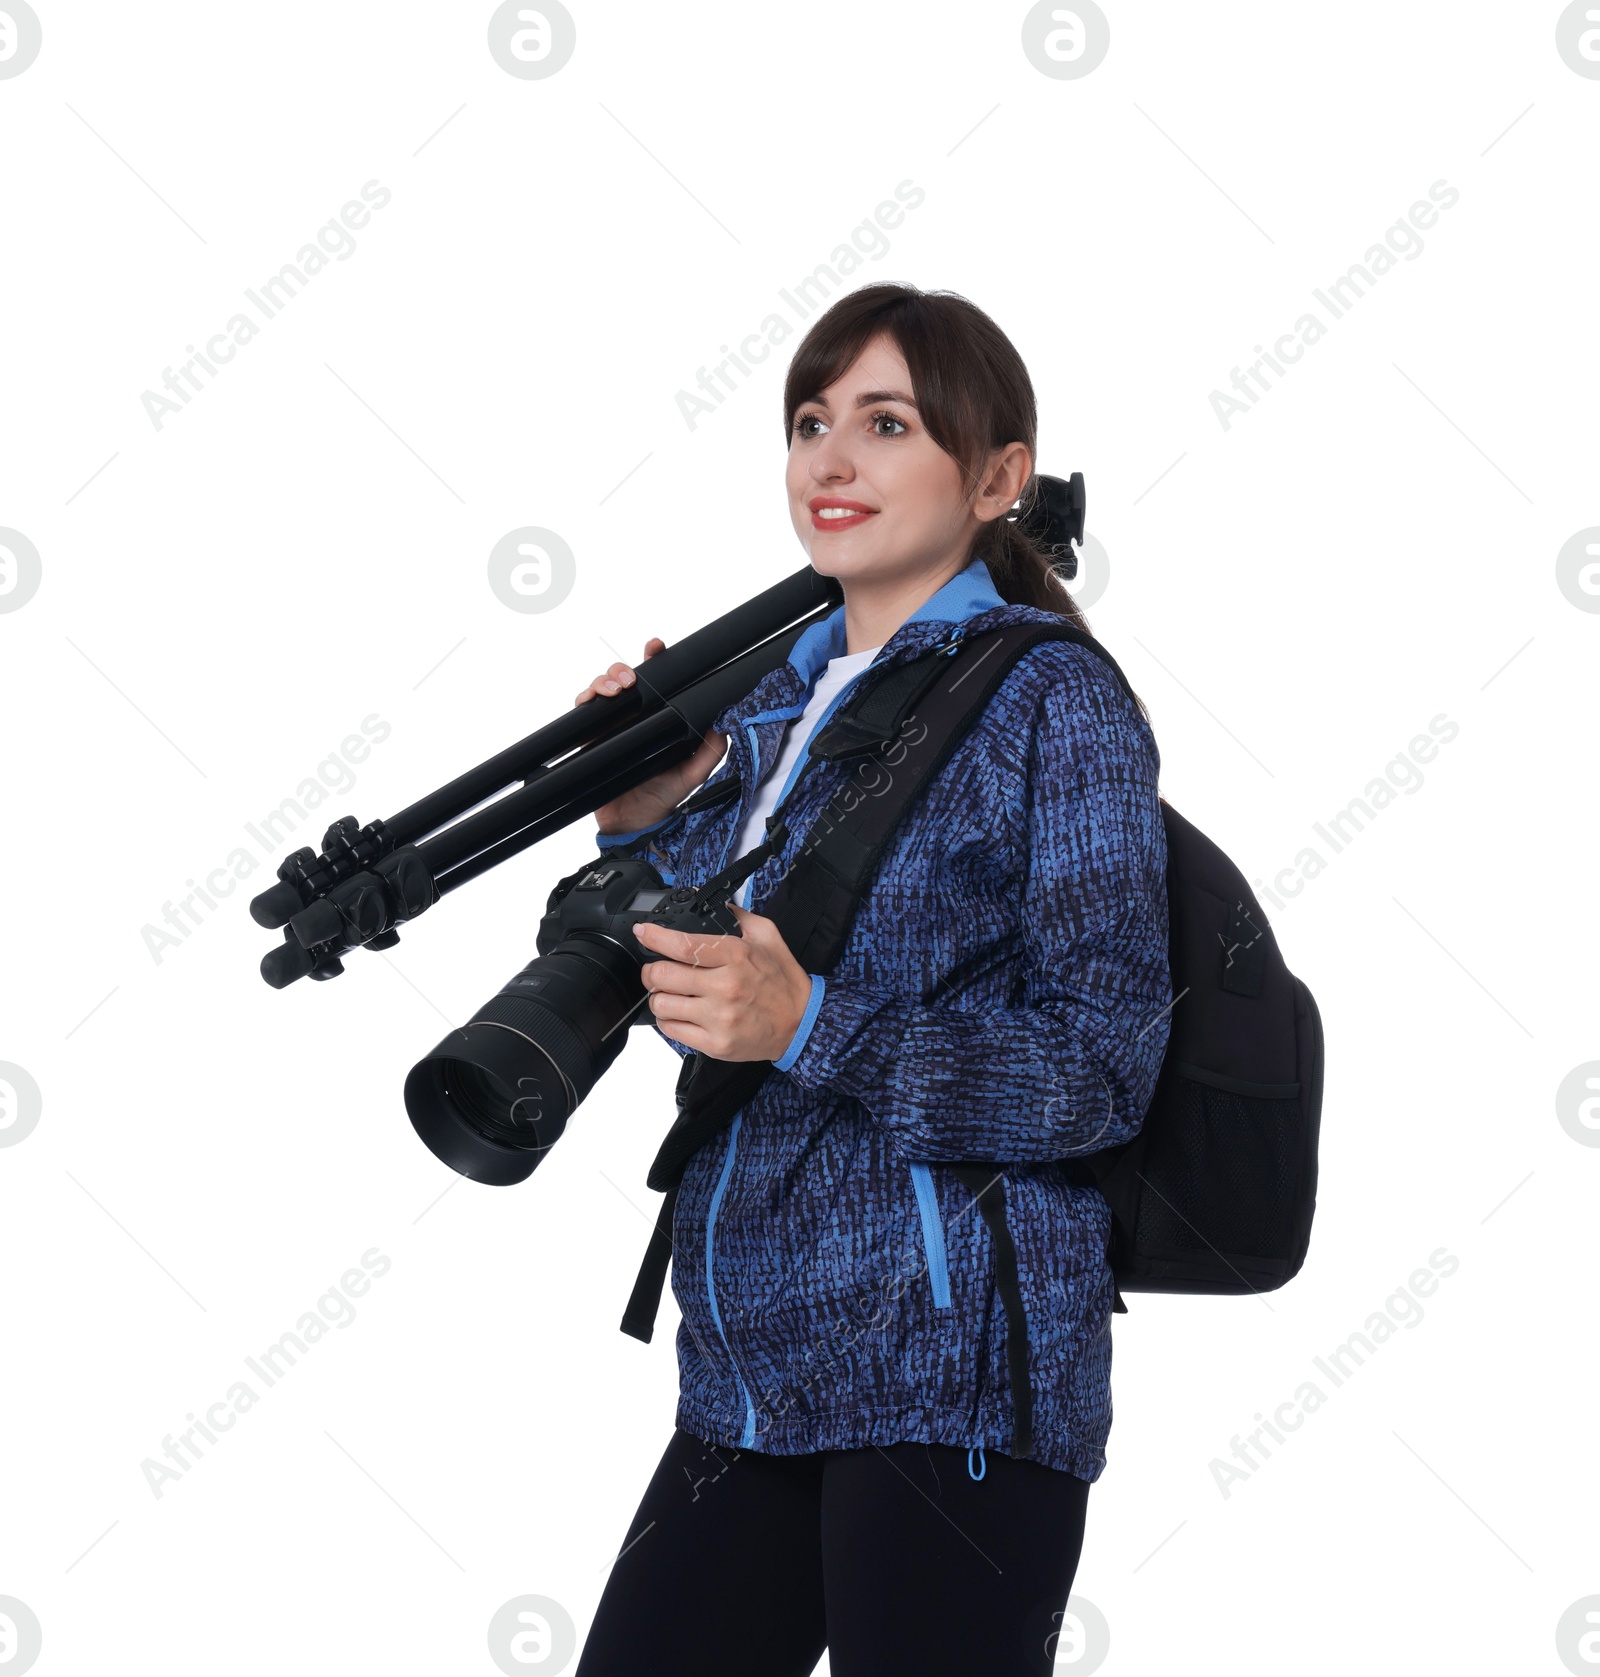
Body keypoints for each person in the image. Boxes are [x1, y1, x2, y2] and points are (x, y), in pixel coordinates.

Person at [570, 283, 1172, 1677]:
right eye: (809, 421)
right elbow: (704, 977)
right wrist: (652, 807)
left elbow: (1100, 1066)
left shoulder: (1056, 702)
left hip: (949, 1364)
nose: (830, 460)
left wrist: (815, 1025)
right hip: (750, 1365)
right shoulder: (771, 709)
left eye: (886, 423)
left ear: (996, 478)